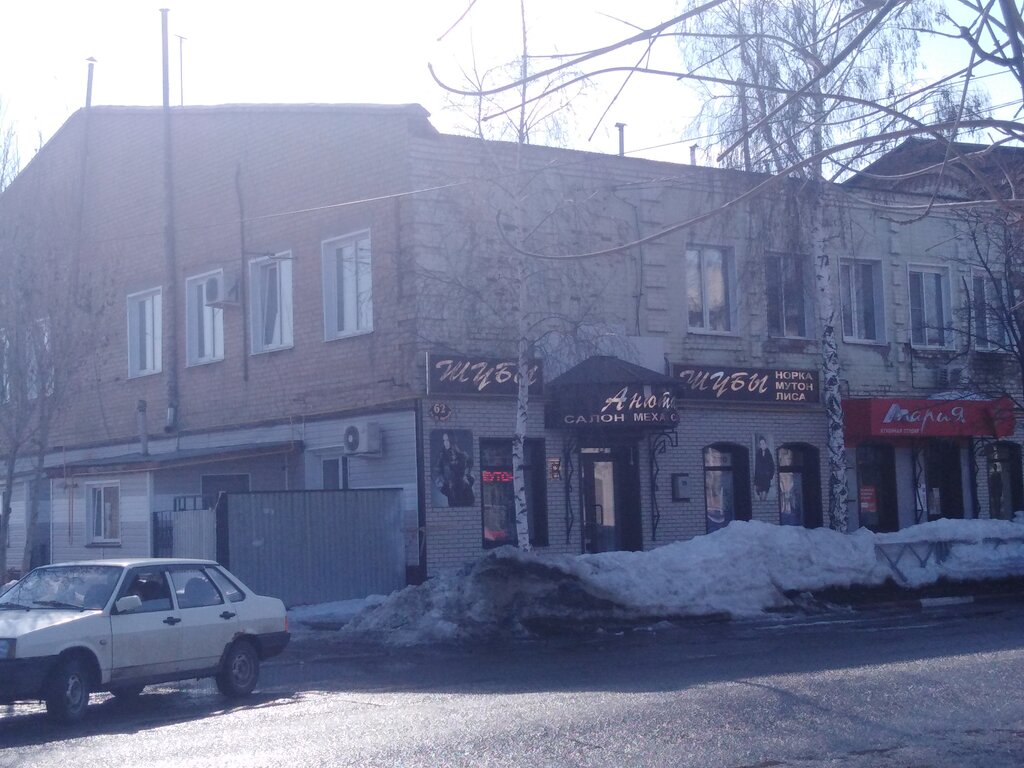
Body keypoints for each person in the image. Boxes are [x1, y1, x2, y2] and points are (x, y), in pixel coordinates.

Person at [436, 432, 475, 507]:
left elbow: (470, 465)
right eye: (444, 440)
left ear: (452, 440)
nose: (445, 443)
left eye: (447, 440)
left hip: (465, 490)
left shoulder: (462, 454)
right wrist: (445, 484)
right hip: (452, 491)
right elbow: (438, 471)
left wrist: (468, 478)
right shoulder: (442, 457)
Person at [753, 435, 775, 501]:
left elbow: (772, 466)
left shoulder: (768, 454)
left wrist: (770, 475)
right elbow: (756, 467)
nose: (762, 445)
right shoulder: (758, 454)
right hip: (759, 478)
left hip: (766, 478)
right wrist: (755, 481)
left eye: (763, 443)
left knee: (764, 496)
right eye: (760, 444)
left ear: (765, 444)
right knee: (760, 497)